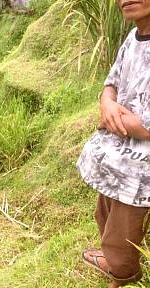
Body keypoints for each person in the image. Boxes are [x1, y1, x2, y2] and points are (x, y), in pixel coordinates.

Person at [78, 1, 150, 287]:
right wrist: (107, 102)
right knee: (104, 212)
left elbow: (145, 127)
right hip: (118, 154)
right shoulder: (132, 39)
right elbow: (113, 82)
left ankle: (123, 272)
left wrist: (110, 119)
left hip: (142, 168)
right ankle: (113, 257)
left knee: (123, 230)